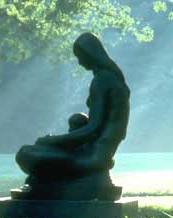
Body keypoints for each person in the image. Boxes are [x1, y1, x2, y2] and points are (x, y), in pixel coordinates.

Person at [15, 32, 130, 183]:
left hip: (94, 157)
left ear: (90, 54)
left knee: (25, 153)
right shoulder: (110, 78)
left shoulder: (102, 81)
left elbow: (93, 129)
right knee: (77, 119)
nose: (79, 62)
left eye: (80, 56)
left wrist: (52, 141)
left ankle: (88, 174)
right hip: (95, 151)